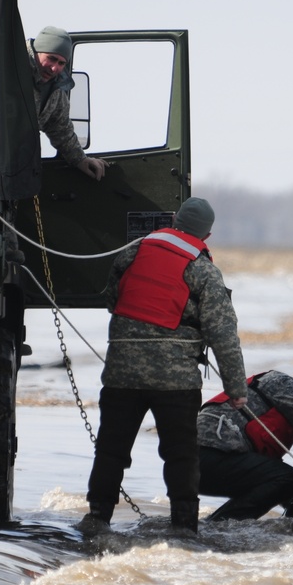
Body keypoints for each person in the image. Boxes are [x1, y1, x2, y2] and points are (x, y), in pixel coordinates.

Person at [78, 197, 248, 535]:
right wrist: (236, 389)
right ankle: (184, 526)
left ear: (173, 219)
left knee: (112, 450)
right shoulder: (204, 271)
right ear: (207, 235)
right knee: (181, 454)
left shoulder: (132, 252)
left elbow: (111, 298)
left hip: (121, 376)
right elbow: (223, 335)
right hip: (176, 383)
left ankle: (97, 518)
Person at [197, 371, 293, 521]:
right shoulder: (282, 383)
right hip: (206, 455)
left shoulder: (266, 404)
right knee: (288, 478)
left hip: (185, 462)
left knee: (284, 480)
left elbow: (272, 483)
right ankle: (219, 525)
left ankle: (210, 525)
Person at [27, 26, 107, 180]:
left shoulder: (56, 89)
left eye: (61, 63)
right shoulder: (8, 69)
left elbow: (59, 126)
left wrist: (80, 159)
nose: (54, 67)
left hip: (19, 169)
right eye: (51, 58)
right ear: (37, 51)